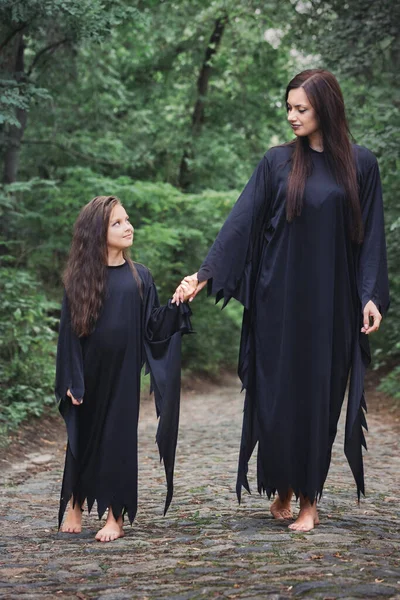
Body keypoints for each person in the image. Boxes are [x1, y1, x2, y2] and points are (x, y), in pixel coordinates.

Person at [175, 69, 390, 532]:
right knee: (275, 399)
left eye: (301, 109)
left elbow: (370, 237)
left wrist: (370, 295)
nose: (292, 116)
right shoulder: (276, 163)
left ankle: (310, 501)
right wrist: (205, 274)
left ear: (325, 109)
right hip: (277, 303)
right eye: (288, 107)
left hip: (331, 307)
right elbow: (241, 223)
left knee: (319, 399)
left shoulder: (361, 164)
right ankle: (284, 487)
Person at [56, 195, 192, 542]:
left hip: (123, 377)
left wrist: (177, 305)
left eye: (127, 220)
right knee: (81, 439)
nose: (127, 227)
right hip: (87, 373)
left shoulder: (139, 277)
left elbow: (154, 328)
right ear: (97, 231)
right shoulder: (80, 279)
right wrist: (72, 378)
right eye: (117, 223)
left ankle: (114, 515)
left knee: (118, 441)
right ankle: (75, 502)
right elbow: (69, 336)